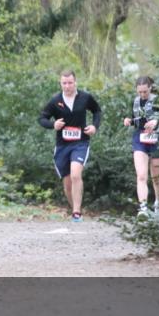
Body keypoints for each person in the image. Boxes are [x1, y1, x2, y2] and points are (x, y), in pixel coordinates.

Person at [38, 70, 102, 222]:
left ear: (75, 83)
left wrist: (94, 126)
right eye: (64, 83)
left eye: (70, 83)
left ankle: (76, 212)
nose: (67, 86)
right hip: (62, 146)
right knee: (67, 184)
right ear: (60, 84)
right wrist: (53, 124)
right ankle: (76, 210)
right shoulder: (55, 101)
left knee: (75, 175)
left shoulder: (85, 97)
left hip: (80, 143)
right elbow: (41, 118)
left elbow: (97, 111)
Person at [123, 75, 159, 218]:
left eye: (145, 92)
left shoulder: (158, 100)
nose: (142, 95)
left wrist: (156, 122)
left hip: (156, 139)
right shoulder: (135, 101)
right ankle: (143, 208)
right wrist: (128, 120)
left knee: (156, 177)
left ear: (150, 88)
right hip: (140, 139)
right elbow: (134, 119)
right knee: (141, 175)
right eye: (139, 92)